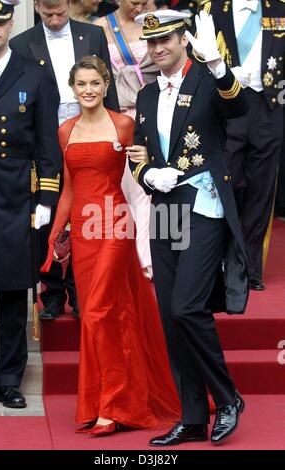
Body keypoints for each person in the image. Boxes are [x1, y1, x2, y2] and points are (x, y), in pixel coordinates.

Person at [41, 55, 181, 435]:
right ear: (73, 88)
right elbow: (69, 188)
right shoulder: (65, 130)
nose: (88, 90)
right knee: (103, 314)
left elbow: (138, 181)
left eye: (95, 84)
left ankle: (112, 404)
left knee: (99, 311)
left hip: (116, 227)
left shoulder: (123, 126)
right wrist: (57, 232)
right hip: (84, 232)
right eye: (81, 84)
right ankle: (102, 400)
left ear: (106, 86)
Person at [129, 9, 249, 445]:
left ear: (183, 40)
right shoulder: (145, 95)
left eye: (166, 40)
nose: (158, 49)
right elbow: (138, 153)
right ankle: (193, 415)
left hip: (202, 203)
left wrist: (217, 64)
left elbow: (240, 108)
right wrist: (146, 177)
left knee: (187, 307)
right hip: (166, 207)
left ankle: (228, 396)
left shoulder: (205, 80)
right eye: (151, 42)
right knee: (170, 316)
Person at [10, 0, 119, 320]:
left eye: (60, 13)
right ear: (37, 9)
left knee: (88, 214)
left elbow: (106, 85)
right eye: (47, 15)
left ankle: (81, 289)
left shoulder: (92, 34)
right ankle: (53, 291)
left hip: (88, 135)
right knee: (50, 215)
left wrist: (112, 133)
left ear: (68, 6)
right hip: (47, 141)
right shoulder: (21, 42)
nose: (55, 20)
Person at [0, 0, 62, 407]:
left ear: (11, 24)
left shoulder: (34, 74)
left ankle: (10, 378)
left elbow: (49, 145)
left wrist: (47, 198)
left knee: (14, 291)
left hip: (16, 193)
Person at [200, 0, 285, 290]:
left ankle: (250, 267)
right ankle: (222, 260)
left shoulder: (280, 8)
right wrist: (223, 74)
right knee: (227, 182)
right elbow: (196, 54)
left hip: (269, 106)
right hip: (228, 103)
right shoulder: (212, 9)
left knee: (262, 188)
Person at [94, 0, 158, 279]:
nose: (139, 6)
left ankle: (146, 259)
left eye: (144, 1)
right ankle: (120, 258)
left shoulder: (158, 22)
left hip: (151, 115)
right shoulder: (100, 27)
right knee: (117, 189)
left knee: (145, 188)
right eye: (134, 2)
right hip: (114, 117)